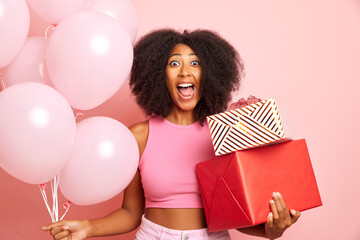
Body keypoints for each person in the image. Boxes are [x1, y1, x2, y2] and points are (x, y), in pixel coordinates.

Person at [42, 29, 300, 240]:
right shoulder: (139, 136)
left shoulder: (226, 132)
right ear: (158, 75)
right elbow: (132, 213)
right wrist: (88, 227)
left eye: (195, 63)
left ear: (209, 75)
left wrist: (272, 231)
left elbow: (235, 215)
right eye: (174, 63)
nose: (185, 72)